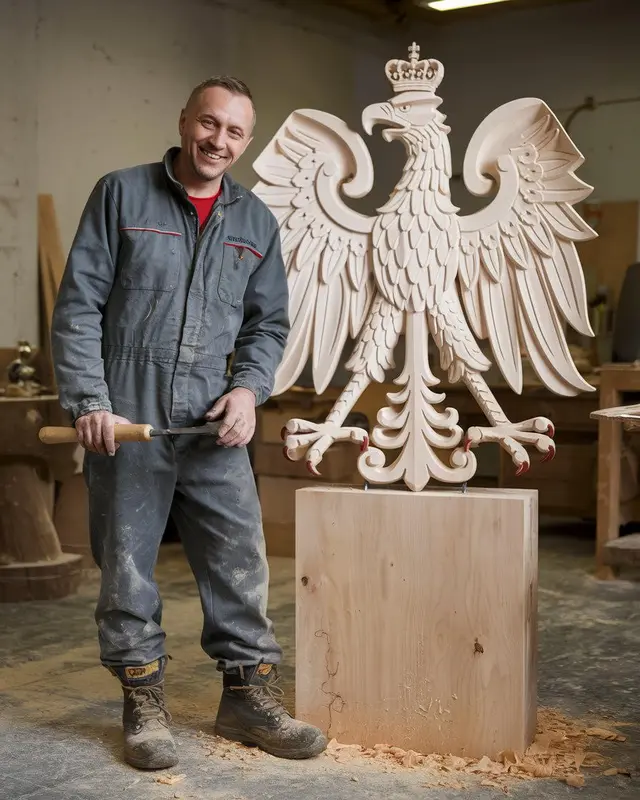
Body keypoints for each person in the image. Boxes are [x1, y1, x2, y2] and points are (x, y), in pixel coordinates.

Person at [50, 76, 327, 770]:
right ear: (184, 121)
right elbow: (79, 305)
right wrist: (90, 400)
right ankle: (143, 703)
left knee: (240, 560)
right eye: (209, 123)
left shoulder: (255, 221)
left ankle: (248, 699)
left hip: (213, 417)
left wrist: (248, 391)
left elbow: (268, 326)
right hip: (128, 408)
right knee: (127, 565)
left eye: (234, 131)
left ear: (247, 141)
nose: (218, 140)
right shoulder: (121, 193)